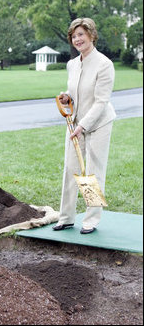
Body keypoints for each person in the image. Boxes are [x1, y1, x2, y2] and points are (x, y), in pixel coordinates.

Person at [53, 18, 116, 234]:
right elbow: (76, 91)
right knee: (70, 168)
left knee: (93, 171)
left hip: (98, 124)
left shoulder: (104, 64)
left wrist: (84, 126)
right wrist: (66, 96)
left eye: (81, 34)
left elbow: (101, 101)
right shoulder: (72, 64)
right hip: (74, 124)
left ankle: (91, 219)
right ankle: (66, 217)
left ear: (91, 35)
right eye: (74, 35)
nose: (77, 39)